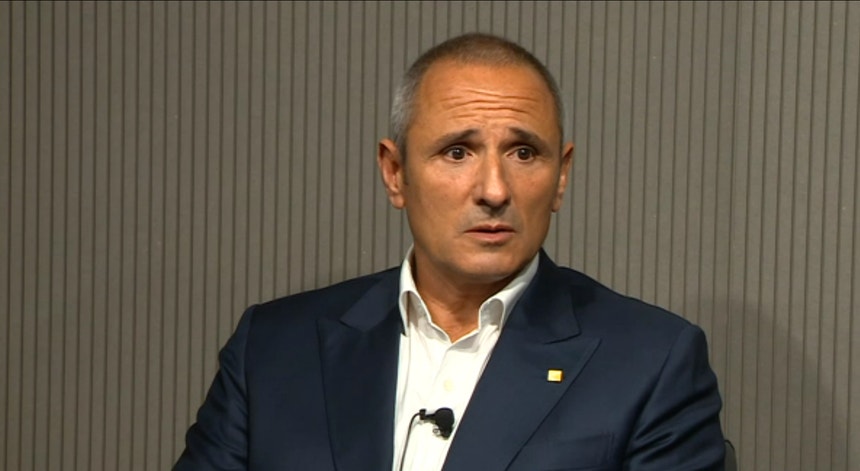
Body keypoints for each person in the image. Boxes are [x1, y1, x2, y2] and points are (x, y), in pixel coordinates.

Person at [175, 32, 725, 470]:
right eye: (458, 152)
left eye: (524, 153)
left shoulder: (651, 363)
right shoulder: (272, 349)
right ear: (395, 172)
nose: (494, 189)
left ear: (561, 176)